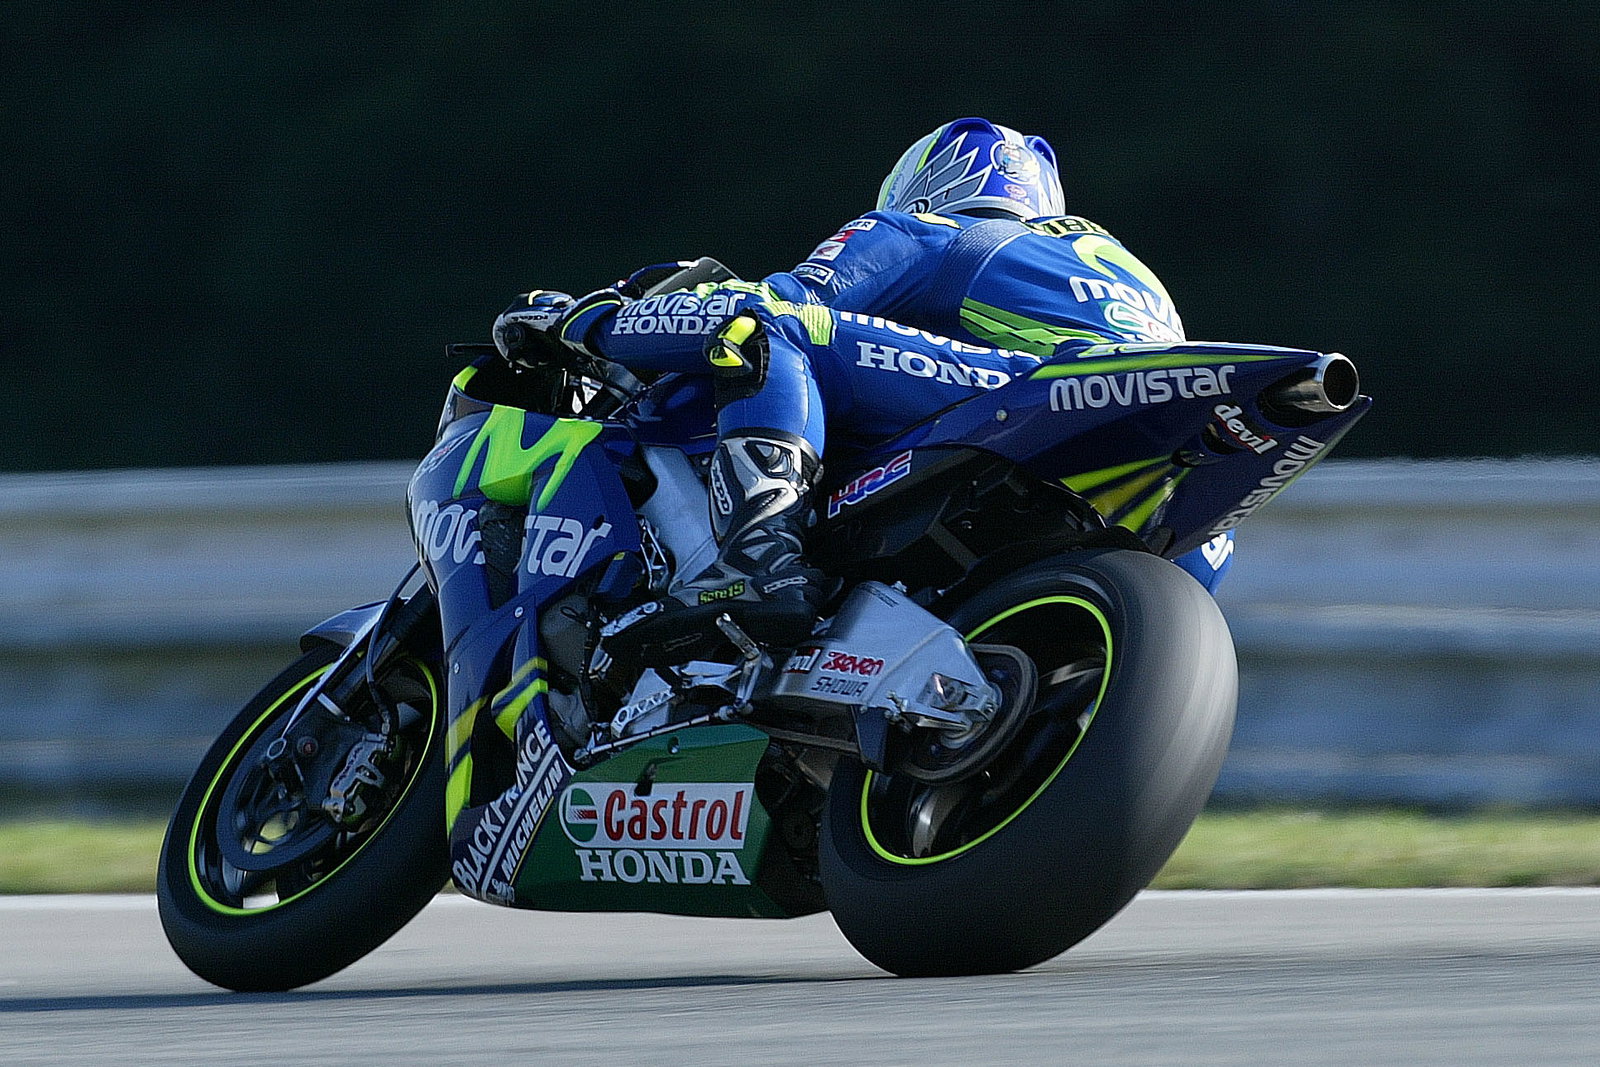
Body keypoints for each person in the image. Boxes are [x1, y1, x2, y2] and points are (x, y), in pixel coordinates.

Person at [494, 117, 1211, 664]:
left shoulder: (934, 231)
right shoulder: (1127, 271)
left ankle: (758, 565)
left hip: (1029, 393)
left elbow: (768, 302)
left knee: (772, 330)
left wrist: (595, 324)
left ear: (931, 183)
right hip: (1159, 497)